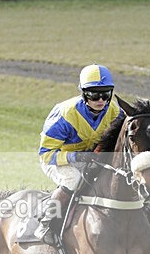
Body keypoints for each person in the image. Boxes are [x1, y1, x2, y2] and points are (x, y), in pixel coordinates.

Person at [37, 64, 125, 241]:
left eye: (106, 94)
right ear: (84, 93)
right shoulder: (64, 115)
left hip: (93, 158)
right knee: (74, 178)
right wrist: (77, 157)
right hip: (58, 160)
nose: (100, 100)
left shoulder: (116, 112)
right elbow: (46, 154)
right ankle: (45, 222)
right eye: (94, 94)